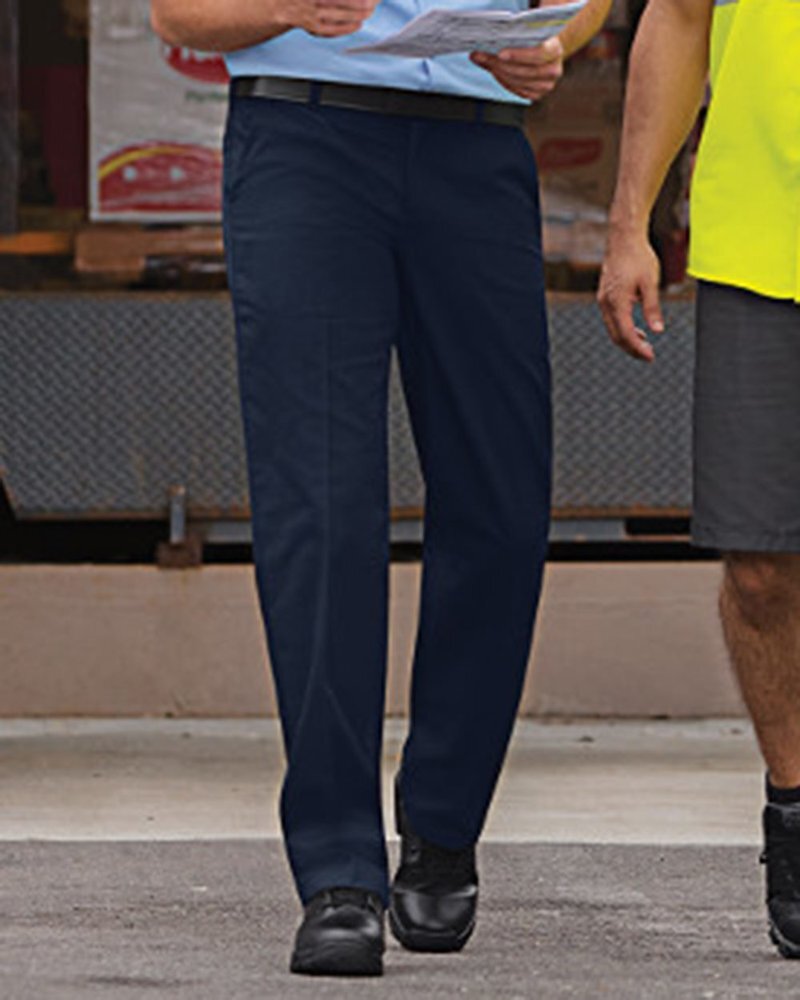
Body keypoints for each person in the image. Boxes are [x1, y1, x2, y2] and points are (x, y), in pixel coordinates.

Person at [152, 0, 611, 977]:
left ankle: (443, 823)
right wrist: (287, 9)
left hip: (477, 148)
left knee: (500, 500)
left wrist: (552, 45)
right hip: (304, 137)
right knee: (321, 506)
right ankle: (338, 871)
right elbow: (176, 14)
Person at [598, 0, 800, 960]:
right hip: (763, 243)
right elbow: (678, 19)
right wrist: (629, 222)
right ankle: (794, 810)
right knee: (760, 567)